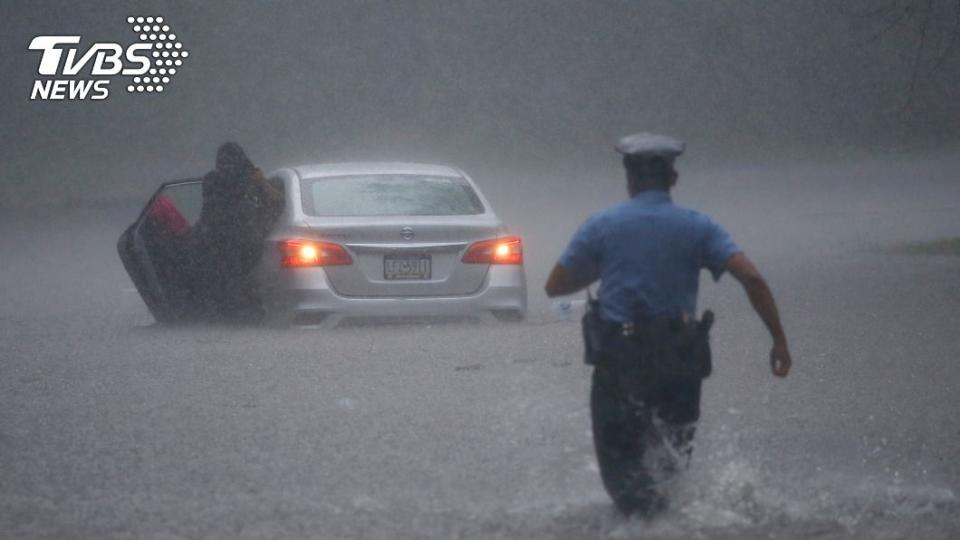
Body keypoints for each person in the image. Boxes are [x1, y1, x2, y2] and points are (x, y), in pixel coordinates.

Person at [544, 132, 792, 517]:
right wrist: (779, 341)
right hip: (680, 363)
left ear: (629, 179)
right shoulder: (699, 226)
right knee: (670, 470)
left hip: (619, 363)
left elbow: (555, 285)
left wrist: (604, 267)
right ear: (672, 179)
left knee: (623, 479)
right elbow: (754, 280)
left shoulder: (601, 225)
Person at [193, 142, 283, 322]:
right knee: (238, 284)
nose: (227, 168)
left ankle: (233, 318)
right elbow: (276, 201)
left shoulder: (213, 179)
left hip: (225, 243)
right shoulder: (242, 179)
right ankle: (243, 317)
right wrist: (258, 180)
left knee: (229, 284)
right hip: (237, 242)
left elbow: (275, 201)